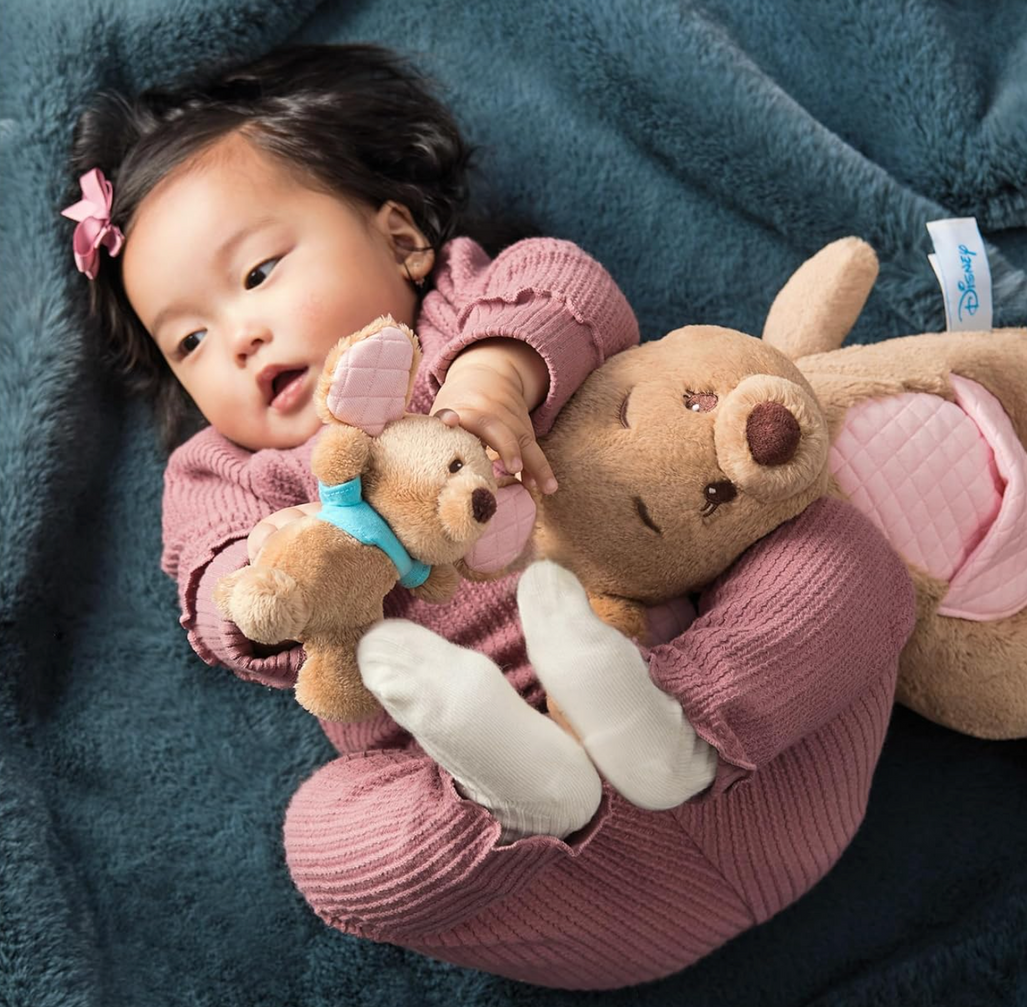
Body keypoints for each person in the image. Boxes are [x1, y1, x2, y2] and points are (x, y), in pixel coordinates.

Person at [65, 42, 916, 988]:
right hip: (574, 886)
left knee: (841, 550)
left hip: (766, 746)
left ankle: (678, 716)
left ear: (401, 240)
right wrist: (278, 584)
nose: (239, 334)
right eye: (190, 338)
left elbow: (568, 284)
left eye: (259, 273)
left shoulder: (467, 313)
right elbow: (209, 588)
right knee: (322, 841)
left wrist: (494, 375)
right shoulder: (230, 473)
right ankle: (512, 787)